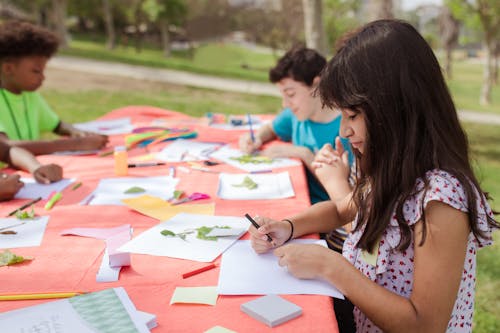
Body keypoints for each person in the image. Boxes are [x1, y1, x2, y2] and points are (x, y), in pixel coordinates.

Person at [248, 20, 498, 333]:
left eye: (352, 115)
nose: (343, 130)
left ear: (396, 110)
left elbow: (425, 325)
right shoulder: (391, 170)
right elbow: (342, 210)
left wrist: (331, 266)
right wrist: (288, 227)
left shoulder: (440, 199)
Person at [239, 46, 352, 204]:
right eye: (283, 95)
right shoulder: (297, 113)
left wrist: (305, 154)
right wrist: (257, 137)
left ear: (316, 85)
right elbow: (271, 128)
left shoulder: (347, 130)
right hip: (296, 197)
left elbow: (344, 196)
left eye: (291, 94)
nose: (285, 104)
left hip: (327, 214)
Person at [0, 20, 108, 155]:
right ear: (8, 68)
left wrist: (77, 132)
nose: (42, 77)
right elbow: (4, 147)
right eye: (36, 71)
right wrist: (75, 144)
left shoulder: (30, 95)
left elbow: (57, 125)